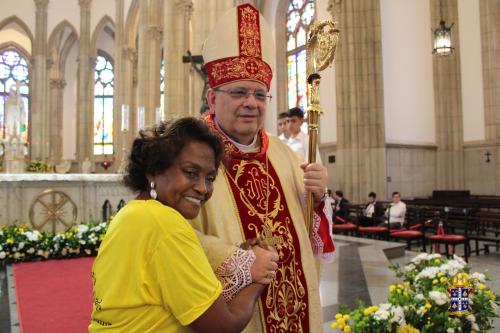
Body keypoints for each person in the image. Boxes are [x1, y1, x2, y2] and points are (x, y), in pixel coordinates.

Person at [193, 3, 334, 332]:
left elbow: (311, 231)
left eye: (260, 94)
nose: (251, 103)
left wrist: (319, 196)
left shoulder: (285, 154)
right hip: (236, 312)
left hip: (295, 302)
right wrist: (241, 262)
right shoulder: (192, 156)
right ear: (213, 99)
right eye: (239, 91)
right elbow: (173, 238)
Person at [89, 118, 277, 332]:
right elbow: (223, 327)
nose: (203, 188)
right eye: (190, 172)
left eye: (209, 178)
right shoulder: (165, 224)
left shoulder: (133, 214)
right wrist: (259, 275)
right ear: (154, 170)